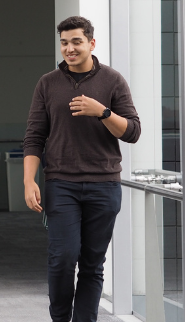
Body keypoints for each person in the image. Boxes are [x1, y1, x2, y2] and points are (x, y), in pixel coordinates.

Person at [23, 16, 141, 322]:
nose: (70, 48)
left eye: (76, 41)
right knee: (62, 257)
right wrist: (28, 181)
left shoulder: (113, 81)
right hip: (61, 184)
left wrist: (101, 112)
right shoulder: (47, 83)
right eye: (64, 42)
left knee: (92, 264)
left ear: (91, 43)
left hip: (105, 185)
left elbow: (132, 132)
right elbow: (34, 137)